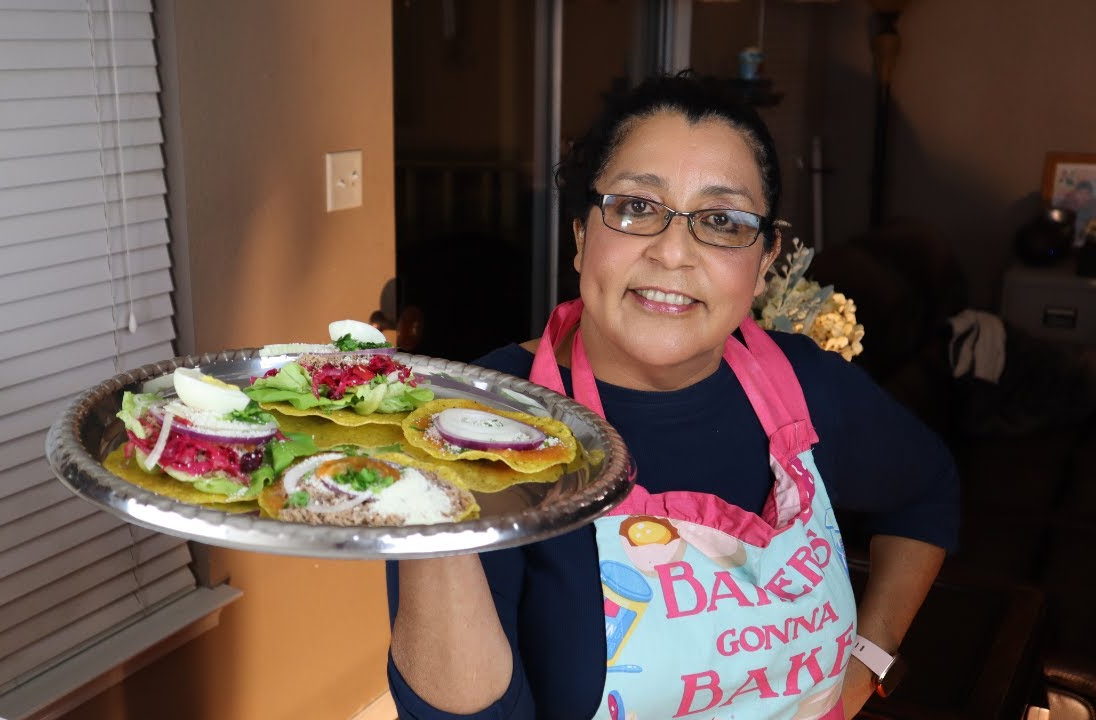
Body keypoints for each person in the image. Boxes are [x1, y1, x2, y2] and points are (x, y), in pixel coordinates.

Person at [387, 72, 958, 720]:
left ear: (765, 260)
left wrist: (871, 658)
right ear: (580, 238)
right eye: (636, 207)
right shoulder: (483, 422)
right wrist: (432, 501)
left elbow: (926, 490)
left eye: (720, 220)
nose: (672, 252)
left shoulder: (806, 384)